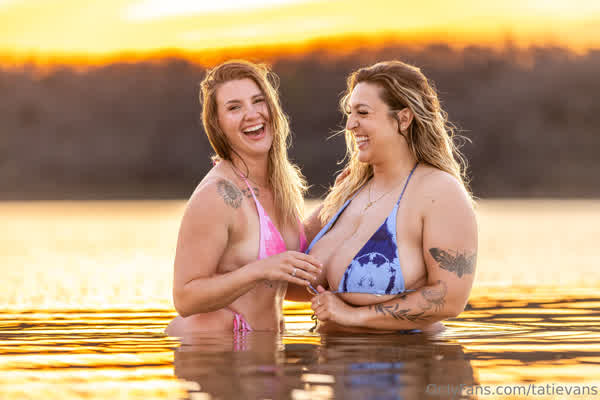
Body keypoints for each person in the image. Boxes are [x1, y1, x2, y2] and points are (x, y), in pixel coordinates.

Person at [305, 60, 478, 333]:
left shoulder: (438, 191)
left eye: (363, 112)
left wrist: (354, 316)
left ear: (404, 119)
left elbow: (450, 300)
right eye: (350, 113)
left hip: (408, 355)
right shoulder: (350, 190)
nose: (350, 124)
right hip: (332, 355)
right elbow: (286, 279)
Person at [165, 60, 323, 335]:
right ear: (218, 124)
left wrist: (340, 201)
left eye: (258, 101)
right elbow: (185, 298)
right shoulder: (217, 195)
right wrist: (258, 270)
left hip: (263, 351)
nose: (251, 114)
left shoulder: (279, 185)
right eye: (234, 107)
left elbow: (285, 285)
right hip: (217, 349)